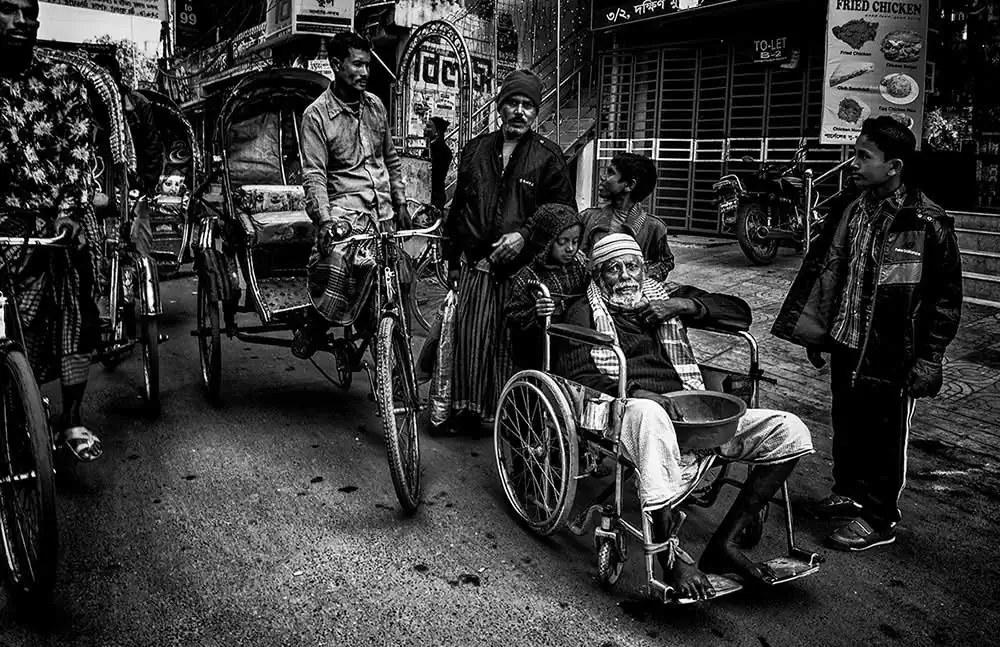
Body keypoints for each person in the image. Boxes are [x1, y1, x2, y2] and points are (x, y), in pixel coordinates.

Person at [556, 234, 814, 600]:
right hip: (630, 408)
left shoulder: (662, 296)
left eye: (633, 266)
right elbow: (578, 375)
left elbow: (740, 313)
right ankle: (669, 557)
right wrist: (639, 393)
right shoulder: (584, 311)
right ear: (598, 275)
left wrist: (681, 306)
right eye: (614, 269)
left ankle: (724, 544)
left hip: (688, 410)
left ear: (643, 269)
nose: (626, 276)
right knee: (650, 414)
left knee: (790, 430)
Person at [772, 116, 963, 552]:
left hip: (893, 351)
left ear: (893, 166)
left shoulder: (926, 221)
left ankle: (879, 516)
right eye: (854, 153)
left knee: (885, 433)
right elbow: (829, 271)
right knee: (848, 421)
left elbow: (945, 297)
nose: (853, 164)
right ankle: (849, 492)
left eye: (863, 156)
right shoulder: (850, 206)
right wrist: (818, 333)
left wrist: (930, 357)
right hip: (846, 340)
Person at [0, 0, 104, 460]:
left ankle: (72, 418)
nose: (23, 21)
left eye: (29, 12)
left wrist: (69, 211)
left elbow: (79, 149)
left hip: (58, 218)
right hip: (5, 219)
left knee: (76, 309)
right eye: (9, 10)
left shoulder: (62, 79)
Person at [443, 68, 574, 433]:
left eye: (527, 105)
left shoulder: (548, 156)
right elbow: (460, 207)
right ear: (500, 107)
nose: (519, 111)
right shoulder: (475, 150)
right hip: (476, 266)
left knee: (510, 348)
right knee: (471, 341)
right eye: (512, 103)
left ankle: (510, 420)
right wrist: (451, 259)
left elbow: (564, 216)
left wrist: (524, 236)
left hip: (522, 273)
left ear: (536, 112)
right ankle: (467, 414)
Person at [295, 32, 409, 358]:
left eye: (367, 65)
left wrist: (400, 201)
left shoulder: (376, 106)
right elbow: (314, 174)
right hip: (345, 213)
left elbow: (391, 159)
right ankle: (316, 323)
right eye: (357, 64)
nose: (365, 72)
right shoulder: (316, 115)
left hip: (383, 213)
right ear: (336, 64)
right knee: (334, 269)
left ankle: (391, 363)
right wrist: (324, 221)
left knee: (401, 282)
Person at [504, 203, 587, 373]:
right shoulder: (528, 276)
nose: (570, 248)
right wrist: (536, 312)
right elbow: (512, 318)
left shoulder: (579, 269)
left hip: (574, 351)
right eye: (562, 242)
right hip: (538, 354)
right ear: (546, 241)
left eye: (575, 241)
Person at [580, 152, 675, 282]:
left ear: (630, 185)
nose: (603, 177)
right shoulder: (587, 217)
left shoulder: (654, 228)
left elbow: (665, 262)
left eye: (611, 173)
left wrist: (641, 274)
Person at [424, 116, 453, 213]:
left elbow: (435, 173)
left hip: (434, 195)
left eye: (429, 127)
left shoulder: (441, 150)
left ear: (437, 131)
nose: (425, 129)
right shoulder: (430, 147)